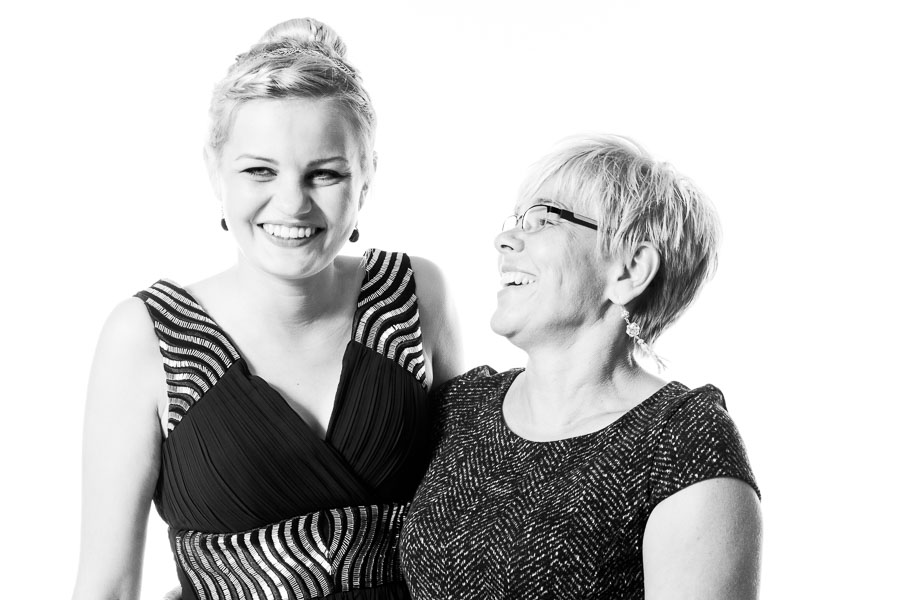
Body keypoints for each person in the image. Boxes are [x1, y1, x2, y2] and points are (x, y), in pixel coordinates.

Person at [72, 18, 462, 600]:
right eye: (259, 170)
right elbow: (108, 586)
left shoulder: (412, 294)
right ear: (215, 171)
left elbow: (470, 519)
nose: (292, 203)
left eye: (325, 173)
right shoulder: (147, 337)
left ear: (367, 176)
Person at [400, 135, 762, 599]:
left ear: (629, 270)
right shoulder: (462, 406)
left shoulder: (682, 442)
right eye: (516, 220)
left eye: (543, 219)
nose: (504, 240)